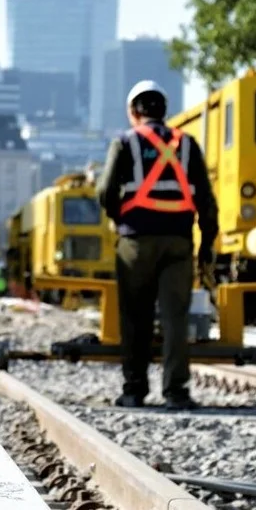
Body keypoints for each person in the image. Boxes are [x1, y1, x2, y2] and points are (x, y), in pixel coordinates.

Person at [95, 79, 219, 411]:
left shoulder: (125, 142)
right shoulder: (187, 144)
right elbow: (207, 201)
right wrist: (207, 243)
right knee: (175, 317)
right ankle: (176, 392)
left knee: (135, 315)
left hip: (136, 241)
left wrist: (118, 216)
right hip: (178, 241)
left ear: (133, 112)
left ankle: (134, 390)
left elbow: (105, 191)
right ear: (164, 111)